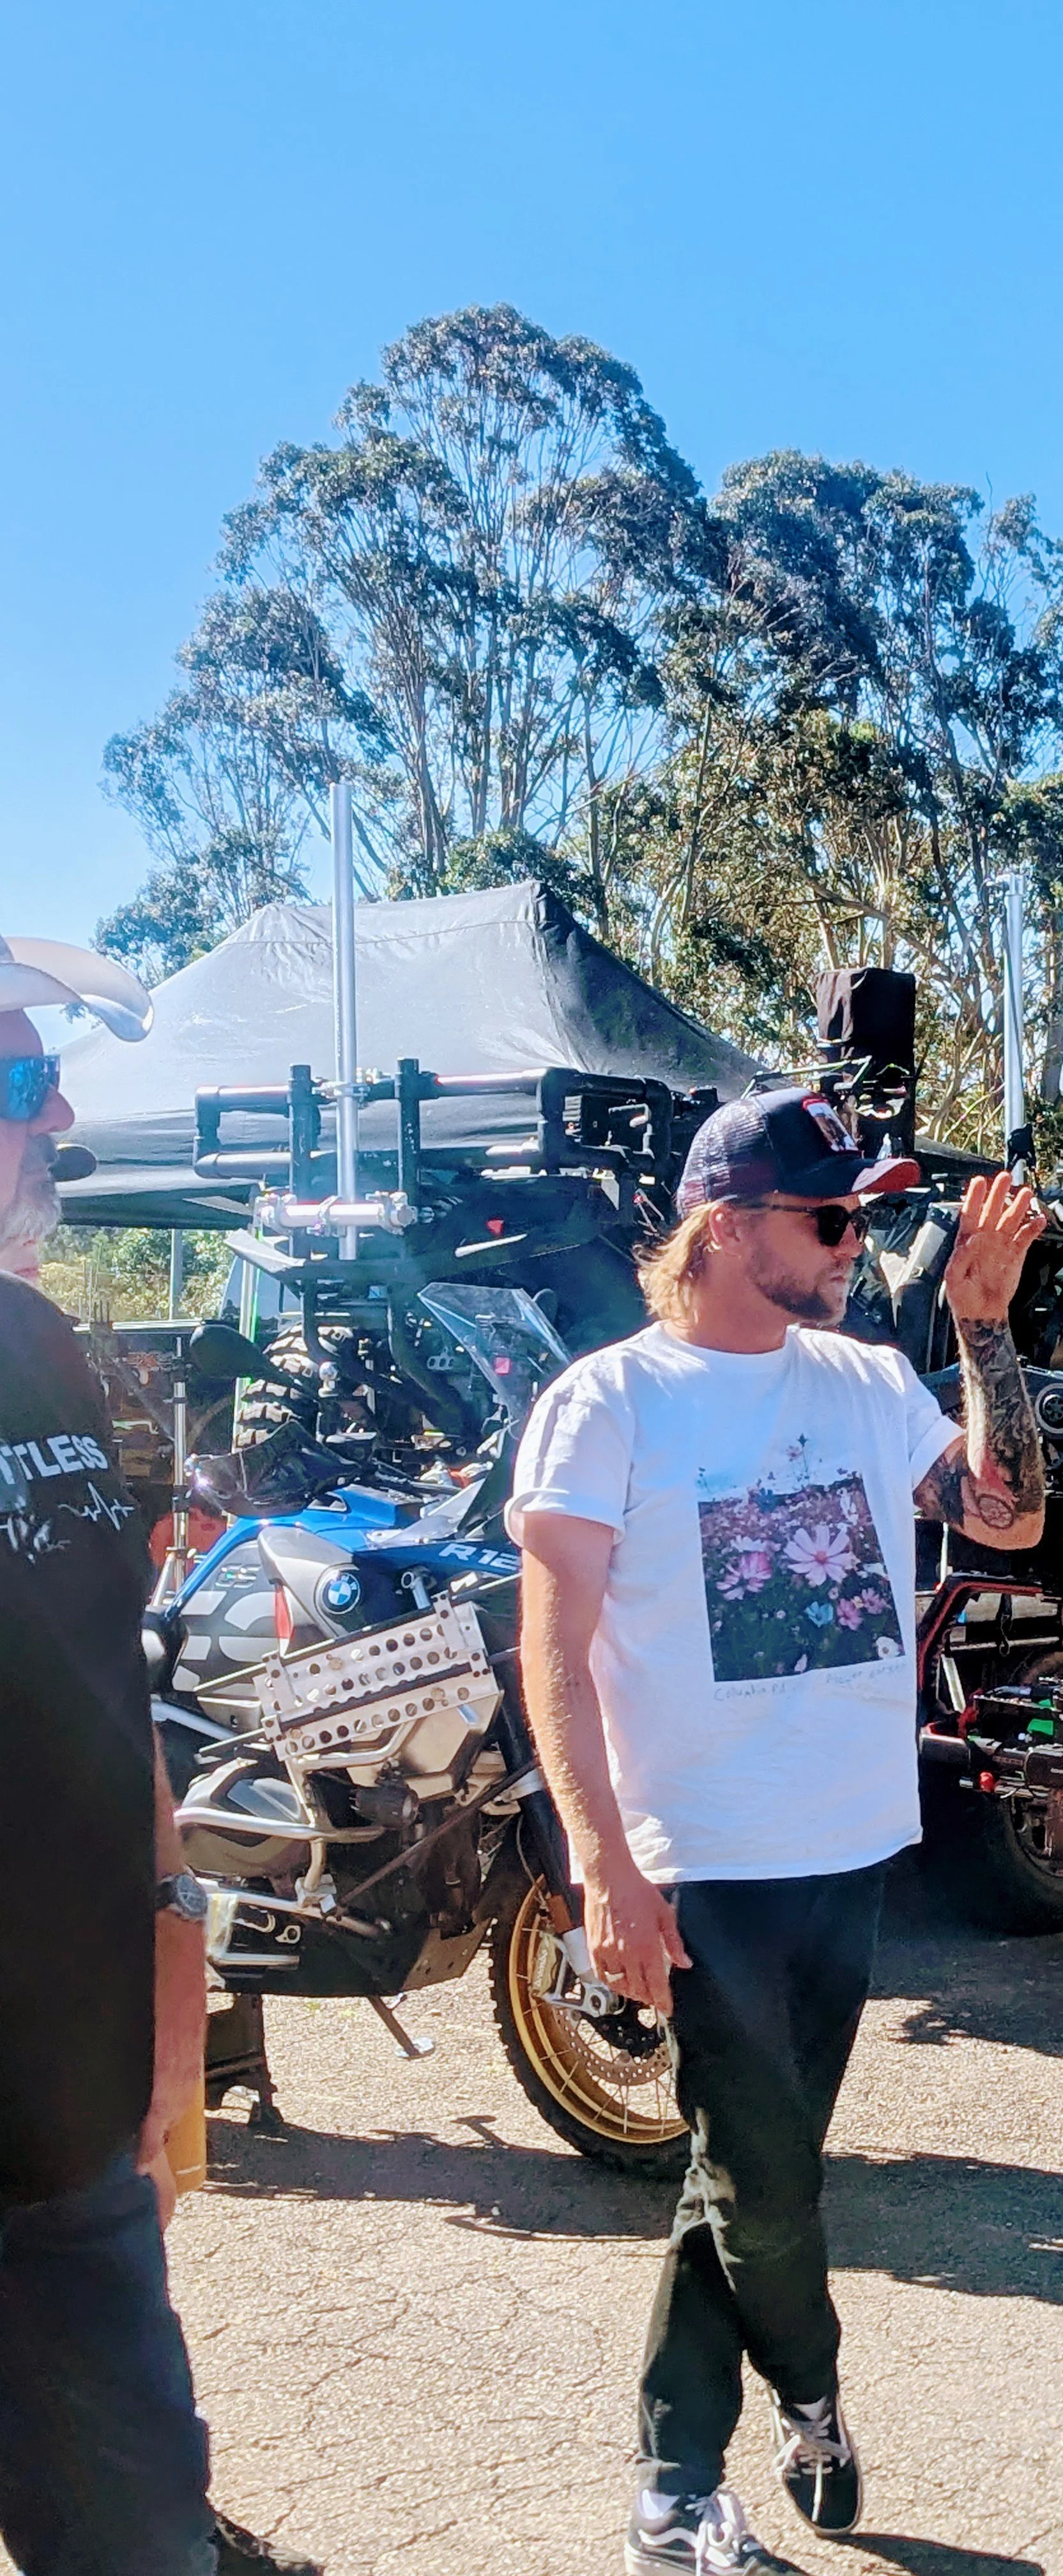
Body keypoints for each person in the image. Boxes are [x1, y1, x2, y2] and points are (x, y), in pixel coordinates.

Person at [509, 1086, 1047, 2573]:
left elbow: (1007, 1515)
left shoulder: (867, 1380)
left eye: (862, 1218)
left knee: (738, 2176)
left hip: (852, 1847)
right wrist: (602, 1866)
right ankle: (801, 2395)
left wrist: (982, 1324)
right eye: (830, 1218)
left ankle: (677, 2472)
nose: (852, 1241)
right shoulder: (609, 1404)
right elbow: (548, 1652)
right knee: (769, 2184)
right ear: (728, 1227)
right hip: (707, 1865)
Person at [0, 932, 319, 2576]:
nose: (52, 1119)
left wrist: (176, 1983)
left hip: (71, 2141)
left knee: (137, 2541)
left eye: (48, 1081)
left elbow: (104, 1682)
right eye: (12, 1081)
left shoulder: (40, 1346)